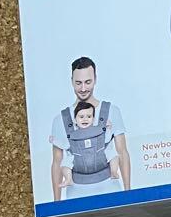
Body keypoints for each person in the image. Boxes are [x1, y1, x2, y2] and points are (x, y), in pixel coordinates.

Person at [50, 57, 131, 200]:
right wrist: (56, 202)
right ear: (71, 81)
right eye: (78, 83)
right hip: (76, 193)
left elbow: (122, 152)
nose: (83, 89)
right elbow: (57, 162)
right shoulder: (60, 120)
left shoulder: (112, 111)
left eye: (88, 82)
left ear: (95, 79)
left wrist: (128, 193)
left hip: (110, 189)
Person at [59, 100, 121, 188]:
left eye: (89, 116)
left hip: (101, 159)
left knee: (113, 154)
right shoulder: (72, 134)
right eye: (81, 117)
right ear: (75, 120)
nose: (85, 119)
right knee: (65, 162)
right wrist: (55, 141)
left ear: (93, 119)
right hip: (78, 163)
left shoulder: (99, 130)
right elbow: (65, 145)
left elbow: (107, 140)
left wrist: (109, 129)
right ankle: (68, 179)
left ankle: (114, 172)